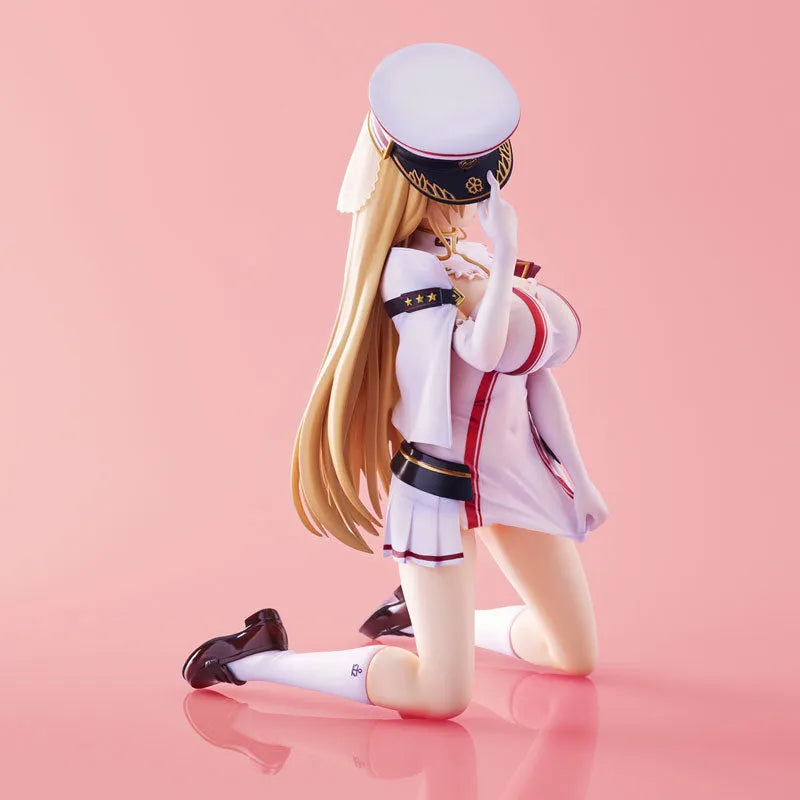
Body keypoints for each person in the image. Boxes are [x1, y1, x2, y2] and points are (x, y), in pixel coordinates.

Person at [182, 42, 609, 720]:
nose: (475, 199)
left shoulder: (471, 255)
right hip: (440, 484)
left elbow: (531, 382)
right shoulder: (409, 270)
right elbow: (486, 350)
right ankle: (255, 657)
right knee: (441, 695)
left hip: (510, 472)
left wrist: (577, 480)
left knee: (573, 652)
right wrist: (504, 259)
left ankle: (419, 618)